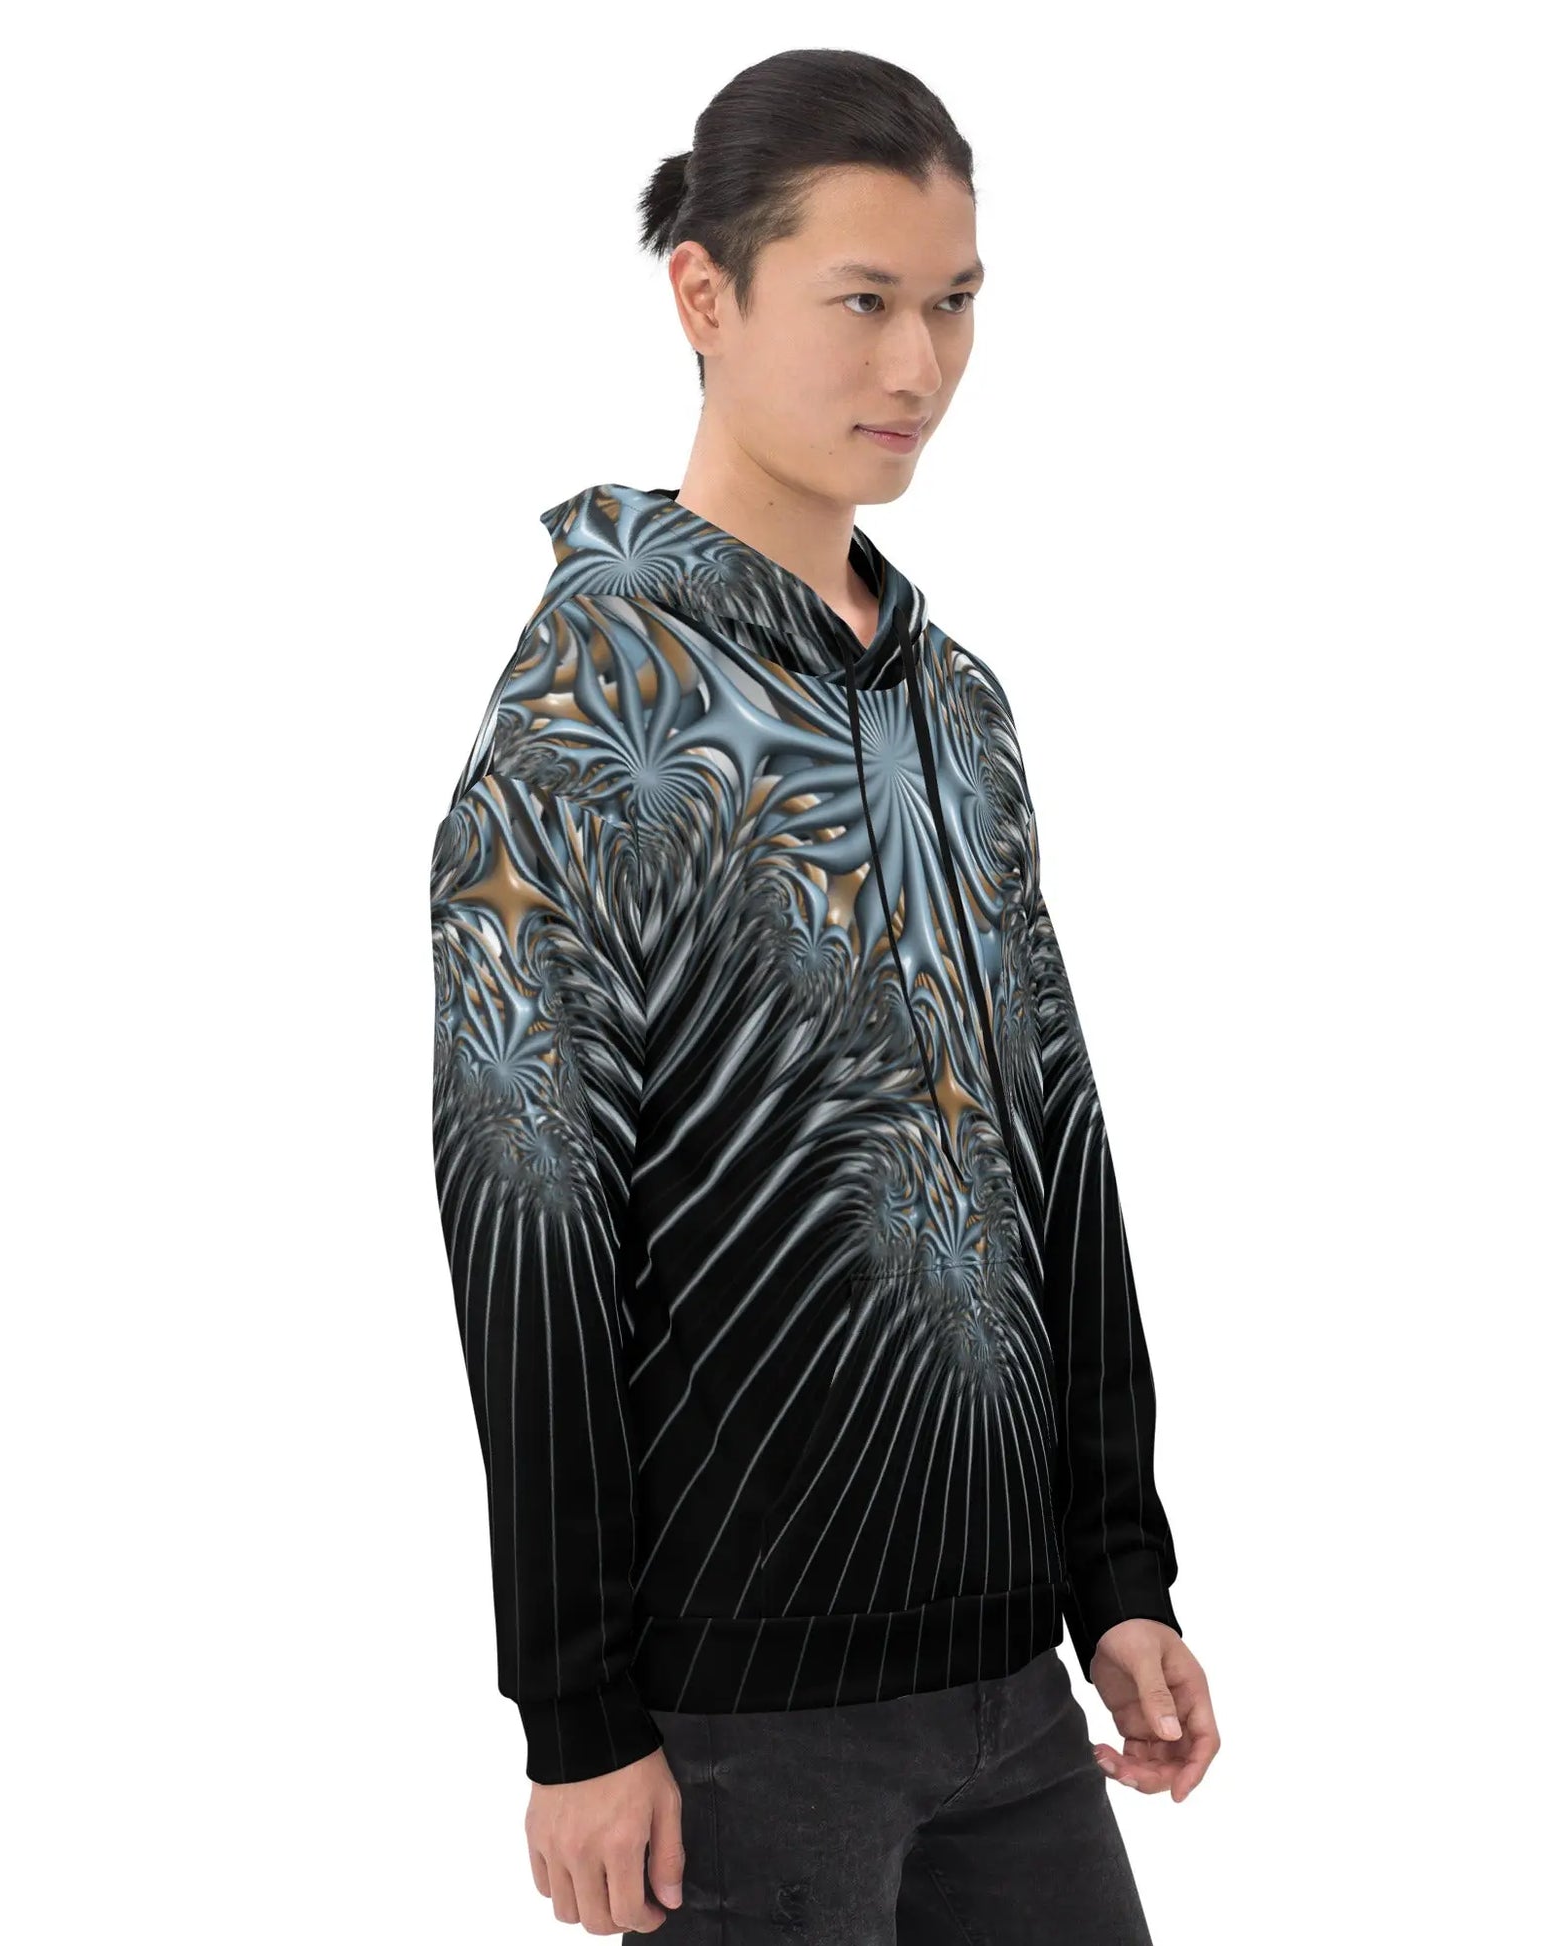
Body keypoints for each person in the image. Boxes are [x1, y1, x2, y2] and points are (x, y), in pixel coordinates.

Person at [428, 46, 1220, 1942]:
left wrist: (1116, 1569)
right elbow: (526, 1212)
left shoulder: (956, 705)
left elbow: (1053, 1130)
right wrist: (576, 1714)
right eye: (861, 301)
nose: (918, 365)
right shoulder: (588, 713)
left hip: (1006, 1678)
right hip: (740, 1715)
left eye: (953, 302)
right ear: (704, 295)